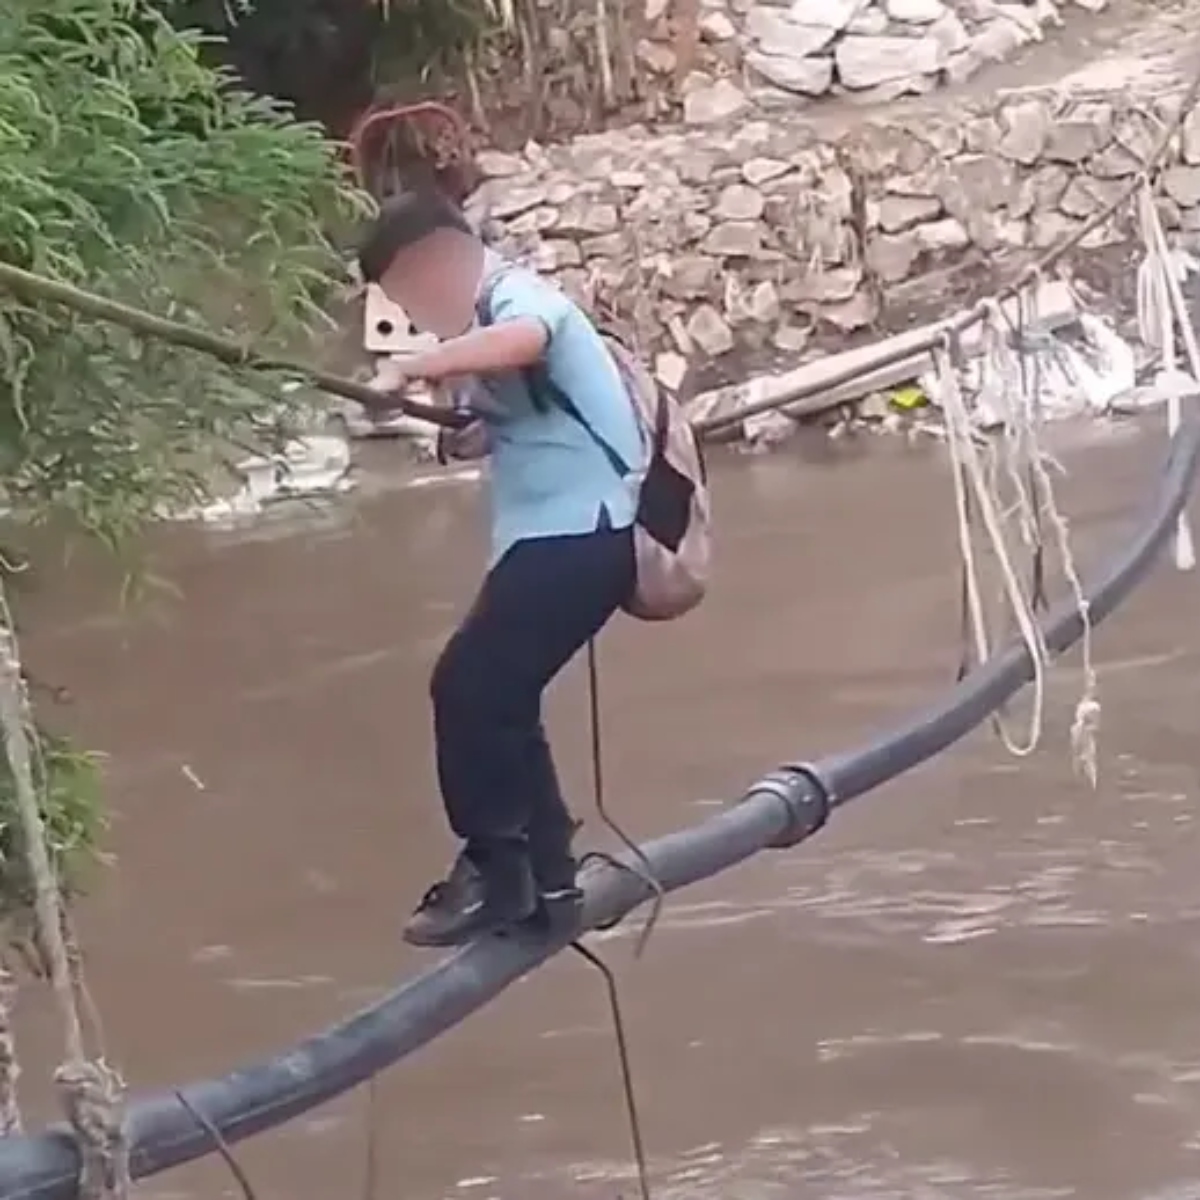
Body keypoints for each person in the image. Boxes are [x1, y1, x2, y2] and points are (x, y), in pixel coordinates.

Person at [357, 189, 645, 949]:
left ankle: (495, 870)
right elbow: (506, 414)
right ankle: (545, 878)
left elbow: (527, 340)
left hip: (583, 534)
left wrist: (419, 363)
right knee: (503, 698)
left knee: (467, 687)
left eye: (410, 294)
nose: (417, 311)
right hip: (554, 539)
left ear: (439, 262)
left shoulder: (513, 293)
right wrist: (448, 412)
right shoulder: (480, 322)